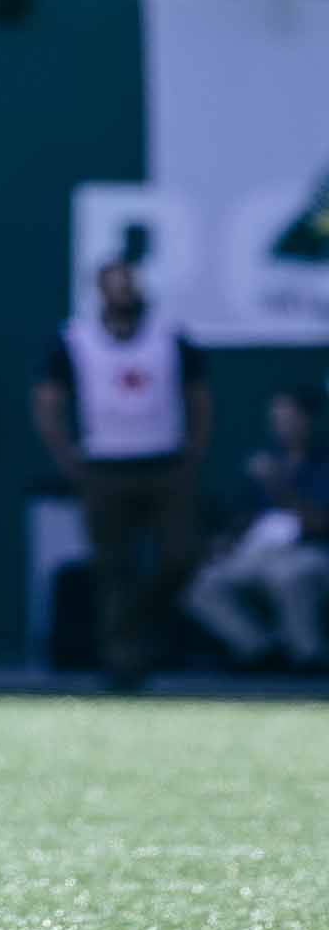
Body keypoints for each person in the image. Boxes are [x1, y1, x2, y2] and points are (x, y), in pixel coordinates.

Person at [33, 261, 209, 689]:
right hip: (104, 467)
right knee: (114, 567)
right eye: (113, 285)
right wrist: (68, 458)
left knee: (181, 556)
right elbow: (47, 402)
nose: (122, 292)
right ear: (99, 291)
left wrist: (193, 451)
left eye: (128, 284)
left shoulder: (171, 337)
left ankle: (142, 628)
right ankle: (123, 664)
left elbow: (199, 398)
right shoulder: (74, 340)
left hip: (165, 465)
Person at [183, 387, 329, 672]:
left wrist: (278, 485)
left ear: (308, 420)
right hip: (260, 551)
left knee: (288, 575)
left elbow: (320, 521)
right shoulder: (264, 461)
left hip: (311, 551)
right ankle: (258, 649)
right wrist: (227, 540)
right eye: (277, 419)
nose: (282, 426)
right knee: (201, 584)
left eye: (289, 418)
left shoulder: (321, 463)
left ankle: (307, 655)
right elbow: (244, 516)